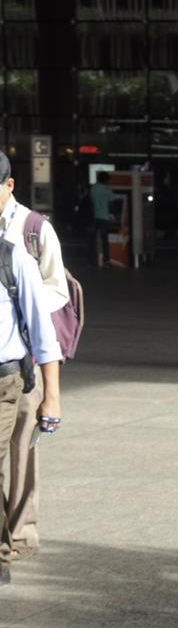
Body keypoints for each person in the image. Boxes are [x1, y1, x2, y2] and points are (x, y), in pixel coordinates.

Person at [0, 152, 70, 559]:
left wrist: (19, 299)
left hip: (24, 360)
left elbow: (58, 288)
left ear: (10, 186)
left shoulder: (34, 228)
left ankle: (22, 531)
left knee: (24, 447)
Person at [90, 171, 117, 268]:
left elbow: (92, 202)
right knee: (105, 240)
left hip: (95, 217)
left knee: (93, 239)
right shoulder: (107, 190)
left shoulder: (93, 188)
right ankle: (106, 261)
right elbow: (112, 204)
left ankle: (93, 260)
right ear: (106, 180)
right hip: (105, 217)